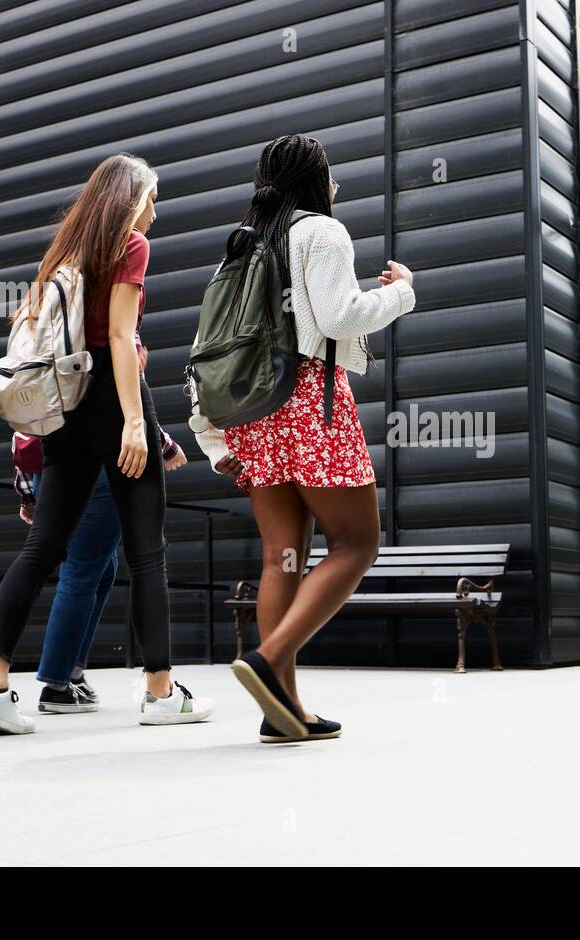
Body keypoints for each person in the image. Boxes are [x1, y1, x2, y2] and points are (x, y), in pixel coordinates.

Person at [0, 153, 213, 734]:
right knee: (148, 552)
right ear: (129, 199)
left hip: (62, 404)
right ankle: (161, 693)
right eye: (152, 195)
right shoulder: (131, 246)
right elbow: (121, 339)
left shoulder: (66, 252)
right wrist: (131, 423)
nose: (156, 208)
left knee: (42, 548)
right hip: (110, 401)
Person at [194, 134, 416, 743]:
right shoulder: (322, 231)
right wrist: (401, 293)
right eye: (332, 174)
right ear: (315, 180)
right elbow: (341, 318)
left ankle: (282, 710)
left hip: (252, 412)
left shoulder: (240, 244)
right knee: (356, 544)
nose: (336, 185)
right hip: (309, 402)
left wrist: (216, 438)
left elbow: (208, 348)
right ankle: (270, 659)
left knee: (281, 557)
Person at [11, 338, 187, 715]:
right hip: (98, 473)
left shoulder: (51, 349)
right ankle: (56, 683)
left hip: (50, 465)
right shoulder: (111, 344)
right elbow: (117, 415)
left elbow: (28, 435)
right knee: (82, 571)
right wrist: (167, 446)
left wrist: (28, 495)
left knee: (100, 568)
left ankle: (70, 672)